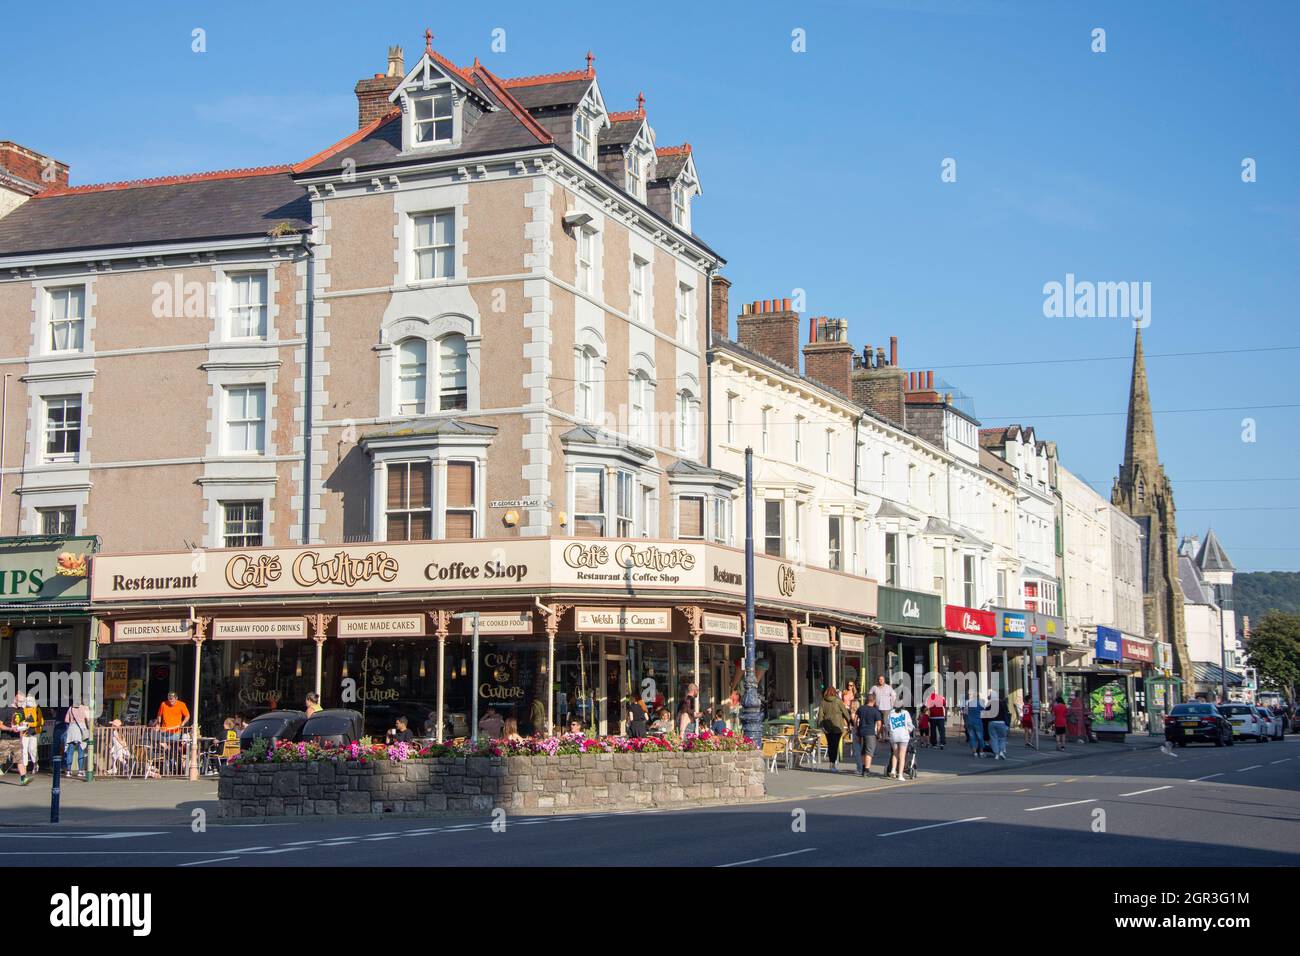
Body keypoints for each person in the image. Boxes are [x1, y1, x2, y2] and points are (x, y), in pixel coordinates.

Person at [12, 692, 44, 784]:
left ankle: (35, 763)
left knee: (32, 749)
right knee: (24, 750)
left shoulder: (37, 709)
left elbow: (41, 721)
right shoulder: (22, 709)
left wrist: (30, 724)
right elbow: (19, 720)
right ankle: (25, 767)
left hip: (34, 732)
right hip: (25, 732)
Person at [818, 686, 849, 773]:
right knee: (835, 746)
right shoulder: (838, 701)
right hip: (837, 726)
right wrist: (850, 722)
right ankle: (833, 764)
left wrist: (821, 726)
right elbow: (845, 712)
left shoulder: (823, 702)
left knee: (830, 745)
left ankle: (831, 763)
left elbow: (820, 715)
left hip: (827, 727)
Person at [886, 702, 915, 781]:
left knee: (895, 754)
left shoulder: (891, 713)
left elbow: (887, 725)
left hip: (894, 735)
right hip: (903, 736)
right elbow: (910, 725)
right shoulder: (905, 713)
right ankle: (900, 775)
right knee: (902, 756)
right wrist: (908, 731)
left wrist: (890, 731)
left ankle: (893, 770)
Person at [855, 692, 882, 777]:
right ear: (874, 700)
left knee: (863, 751)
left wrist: (857, 729)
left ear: (867, 700)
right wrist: (878, 734)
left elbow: (856, 720)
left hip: (861, 732)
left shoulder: (860, 709)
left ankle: (863, 768)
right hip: (870, 733)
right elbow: (879, 724)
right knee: (869, 752)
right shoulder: (876, 711)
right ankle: (867, 770)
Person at [64, 700, 91, 778]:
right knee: (81, 750)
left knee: (70, 751)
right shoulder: (85, 708)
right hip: (82, 729)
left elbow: (66, 720)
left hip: (72, 729)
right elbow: (88, 720)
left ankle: (68, 771)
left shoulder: (71, 708)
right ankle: (80, 771)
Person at [989, 693, 1011, 760]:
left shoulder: (990, 704)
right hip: (1001, 722)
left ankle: (996, 754)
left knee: (993, 738)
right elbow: (1006, 713)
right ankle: (1001, 751)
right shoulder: (1003, 704)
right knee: (1002, 738)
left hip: (992, 722)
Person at [965, 692, 985, 757]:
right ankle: (981, 752)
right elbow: (984, 711)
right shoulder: (979, 703)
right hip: (978, 722)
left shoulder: (968, 703)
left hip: (969, 722)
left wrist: (966, 722)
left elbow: (965, 713)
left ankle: (974, 752)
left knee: (972, 737)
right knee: (980, 737)